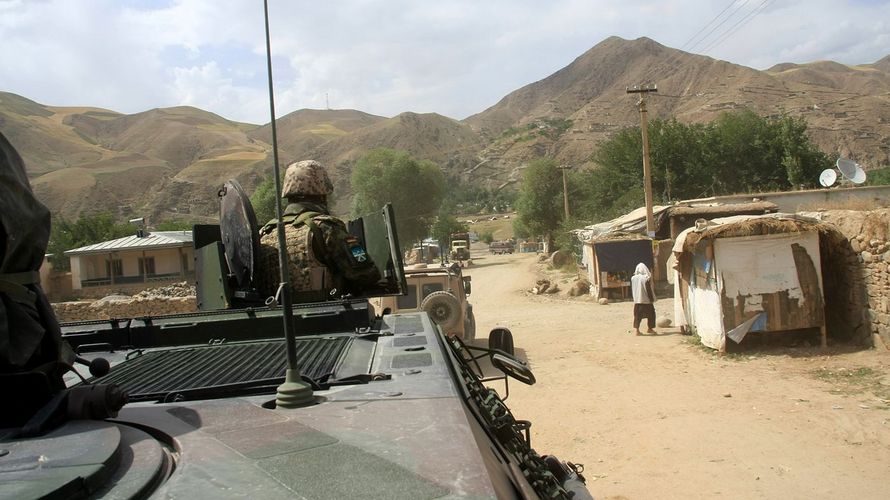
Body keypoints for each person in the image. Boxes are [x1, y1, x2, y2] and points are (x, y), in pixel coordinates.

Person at [255, 160, 381, 302]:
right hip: (328, 316)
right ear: (322, 194)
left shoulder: (264, 234)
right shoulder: (325, 227)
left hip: (276, 318)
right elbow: (365, 274)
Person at [631, 262, 657, 335]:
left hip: (637, 300)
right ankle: (650, 328)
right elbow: (648, 289)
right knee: (651, 315)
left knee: (637, 316)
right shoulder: (645, 278)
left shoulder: (633, 278)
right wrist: (651, 299)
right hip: (646, 300)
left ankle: (637, 330)